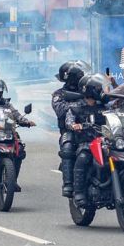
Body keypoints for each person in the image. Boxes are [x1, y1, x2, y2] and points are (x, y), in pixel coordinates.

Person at [67, 74, 112, 208]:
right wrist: (75, 125)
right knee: (83, 158)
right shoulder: (76, 107)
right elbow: (69, 121)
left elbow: (116, 117)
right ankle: (79, 193)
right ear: (91, 90)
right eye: (100, 88)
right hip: (86, 142)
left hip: (105, 141)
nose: (103, 90)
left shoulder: (105, 107)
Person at [52, 61, 89, 197]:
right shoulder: (59, 94)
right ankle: (68, 184)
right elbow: (60, 110)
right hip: (70, 130)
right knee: (67, 146)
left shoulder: (87, 90)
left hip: (91, 127)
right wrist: (80, 103)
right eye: (80, 75)